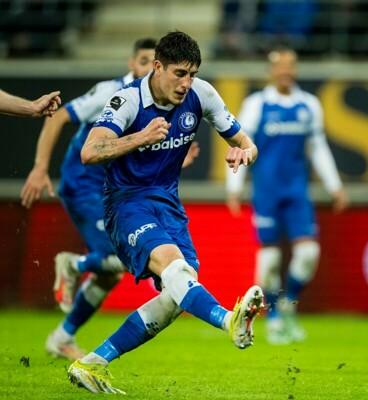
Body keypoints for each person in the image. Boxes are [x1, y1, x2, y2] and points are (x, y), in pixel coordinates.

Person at [66, 31, 264, 394]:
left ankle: (92, 363)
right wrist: (140, 137)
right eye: (179, 73)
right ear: (157, 67)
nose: (186, 83)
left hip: (169, 205)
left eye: (192, 73)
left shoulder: (201, 94)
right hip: (126, 203)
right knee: (175, 268)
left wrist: (244, 153)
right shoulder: (126, 100)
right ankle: (228, 320)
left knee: (177, 293)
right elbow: (90, 152)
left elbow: (246, 142)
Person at [20, 38, 169, 361]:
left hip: (112, 190)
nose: (147, 68)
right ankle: (73, 264)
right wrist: (40, 167)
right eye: (142, 61)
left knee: (111, 271)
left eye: (153, 62)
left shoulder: (159, 104)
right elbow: (59, 116)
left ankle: (62, 337)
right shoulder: (111, 93)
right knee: (120, 259)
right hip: (83, 184)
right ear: (132, 64)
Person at [226, 48, 347, 344]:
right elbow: (240, 145)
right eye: (280, 67)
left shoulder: (309, 105)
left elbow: (317, 147)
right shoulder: (256, 105)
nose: (285, 71)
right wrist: (234, 187)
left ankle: (286, 303)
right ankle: (276, 319)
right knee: (269, 260)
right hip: (266, 192)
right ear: (271, 71)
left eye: (290, 66)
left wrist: (334, 185)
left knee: (308, 254)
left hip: (297, 193)